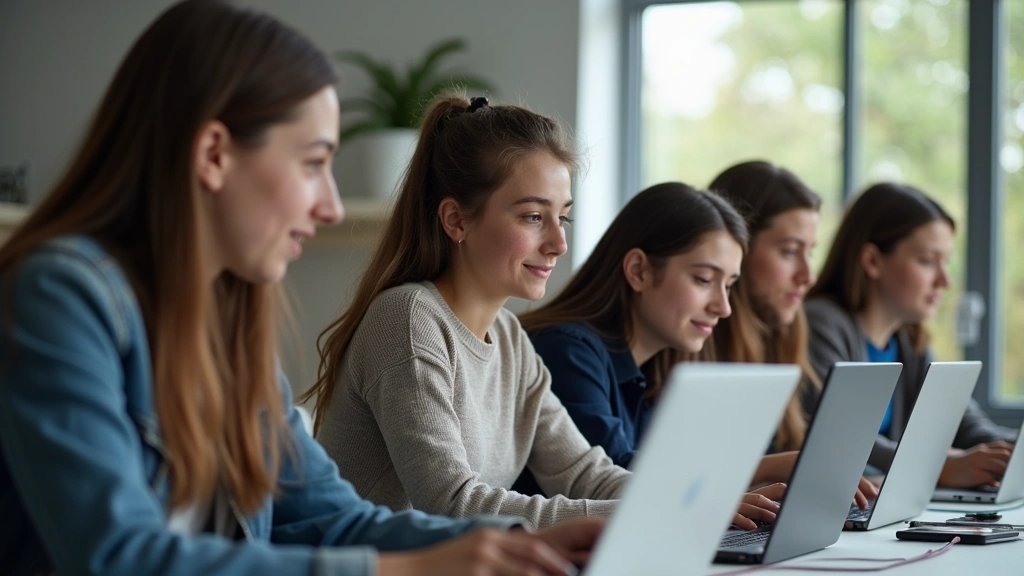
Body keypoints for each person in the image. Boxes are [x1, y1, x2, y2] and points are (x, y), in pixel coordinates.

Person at [0, 2, 601, 575]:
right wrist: (410, 568)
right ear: (213, 154)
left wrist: (525, 543)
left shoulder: (227, 320)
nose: (331, 205)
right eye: (313, 164)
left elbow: (331, 518)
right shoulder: (61, 295)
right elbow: (117, 557)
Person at [805, 182, 1017, 488]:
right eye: (928, 261)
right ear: (872, 261)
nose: (945, 280)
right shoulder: (821, 324)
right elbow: (835, 437)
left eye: (946, 262)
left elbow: (967, 424)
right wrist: (935, 468)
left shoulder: (910, 341)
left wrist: (1014, 447)